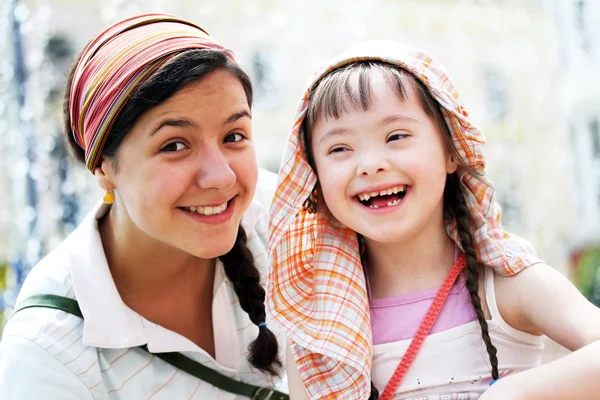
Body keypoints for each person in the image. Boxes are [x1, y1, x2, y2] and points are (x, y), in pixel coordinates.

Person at [267, 41, 600, 399]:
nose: (370, 164)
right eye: (340, 149)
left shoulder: (504, 283)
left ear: (451, 150)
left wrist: (511, 394)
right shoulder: (319, 325)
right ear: (314, 177)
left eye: (396, 136)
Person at [0, 13, 287, 400]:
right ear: (103, 166)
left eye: (234, 135)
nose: (220, 177)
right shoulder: (48, 356)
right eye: (174, 145)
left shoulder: (285, 219)